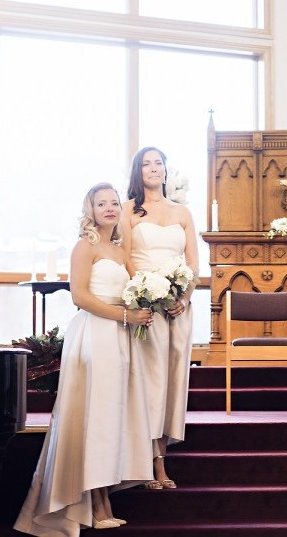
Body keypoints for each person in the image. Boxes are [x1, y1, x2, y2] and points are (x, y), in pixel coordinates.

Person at [14, 183, 154, 535]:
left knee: (109, 418)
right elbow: (79, 297)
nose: (109, 208)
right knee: (94, 416)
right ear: (90, 210)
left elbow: (135, 291)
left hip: (121, 338)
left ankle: (102, 501)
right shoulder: (84, 246)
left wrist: (152, 303)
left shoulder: (120, 251)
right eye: (101, 203)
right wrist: (125, 316)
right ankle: (93, 504)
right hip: (95, 334)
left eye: (114, 202)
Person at [121, 147, 199, 490]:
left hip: (178, 310)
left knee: (172, 383)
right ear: (138, 172)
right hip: (147, 307)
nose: (153, 168)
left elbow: (193, 264)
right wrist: (147, 292)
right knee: (150, 382)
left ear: (166, 170)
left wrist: (183, 297)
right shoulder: (127, 210)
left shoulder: (182, 212)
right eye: (146, 164)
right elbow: (125, 259)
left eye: (158, 163)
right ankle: (146, 461)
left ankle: (161, 458)